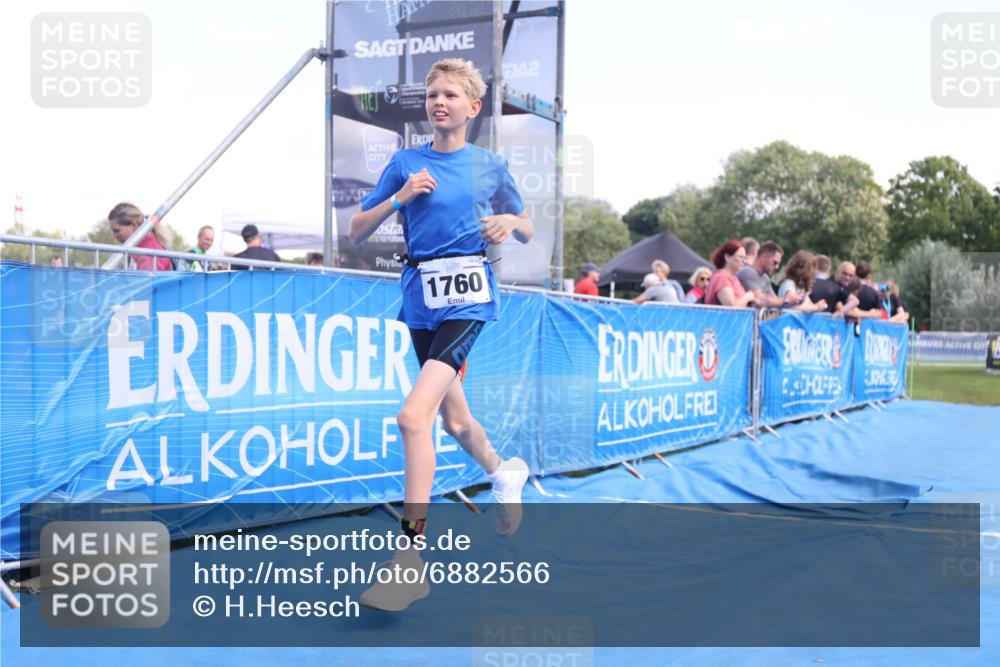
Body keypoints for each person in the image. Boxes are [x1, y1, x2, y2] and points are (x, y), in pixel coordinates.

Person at [348, 58, 534, 612]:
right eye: (433, 94)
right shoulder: (406, 162)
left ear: (472, 107)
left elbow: (524, 223)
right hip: (420, 297)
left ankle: (410, 561)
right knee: (454, 421)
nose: (439, 102)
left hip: (470, 295)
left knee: (413, 417)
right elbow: (357, 229)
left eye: (450, 94)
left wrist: (509, 223)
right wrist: (400, 197)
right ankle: (504, 475)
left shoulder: (489, 166)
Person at [107, 202, 173, 272]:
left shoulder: (148, 251)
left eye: (117, 231)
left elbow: (147, 281)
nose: (114, 236)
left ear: (134, 224)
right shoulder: (135, 249)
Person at [737, 240, 800, 308]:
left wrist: (774, 301)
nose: (777, 267)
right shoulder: (748, 272)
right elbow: (761, 300)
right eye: (775, 262)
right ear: (764, 257)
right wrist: (787, 301)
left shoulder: (765, 277)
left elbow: (774, 299)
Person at [705, 239, 760, 308]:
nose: (744, 261)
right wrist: (748, 296)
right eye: (740, 257)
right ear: (727, 257)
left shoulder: (733, 278)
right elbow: (731, 308)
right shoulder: (721, 277)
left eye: (744, 258)